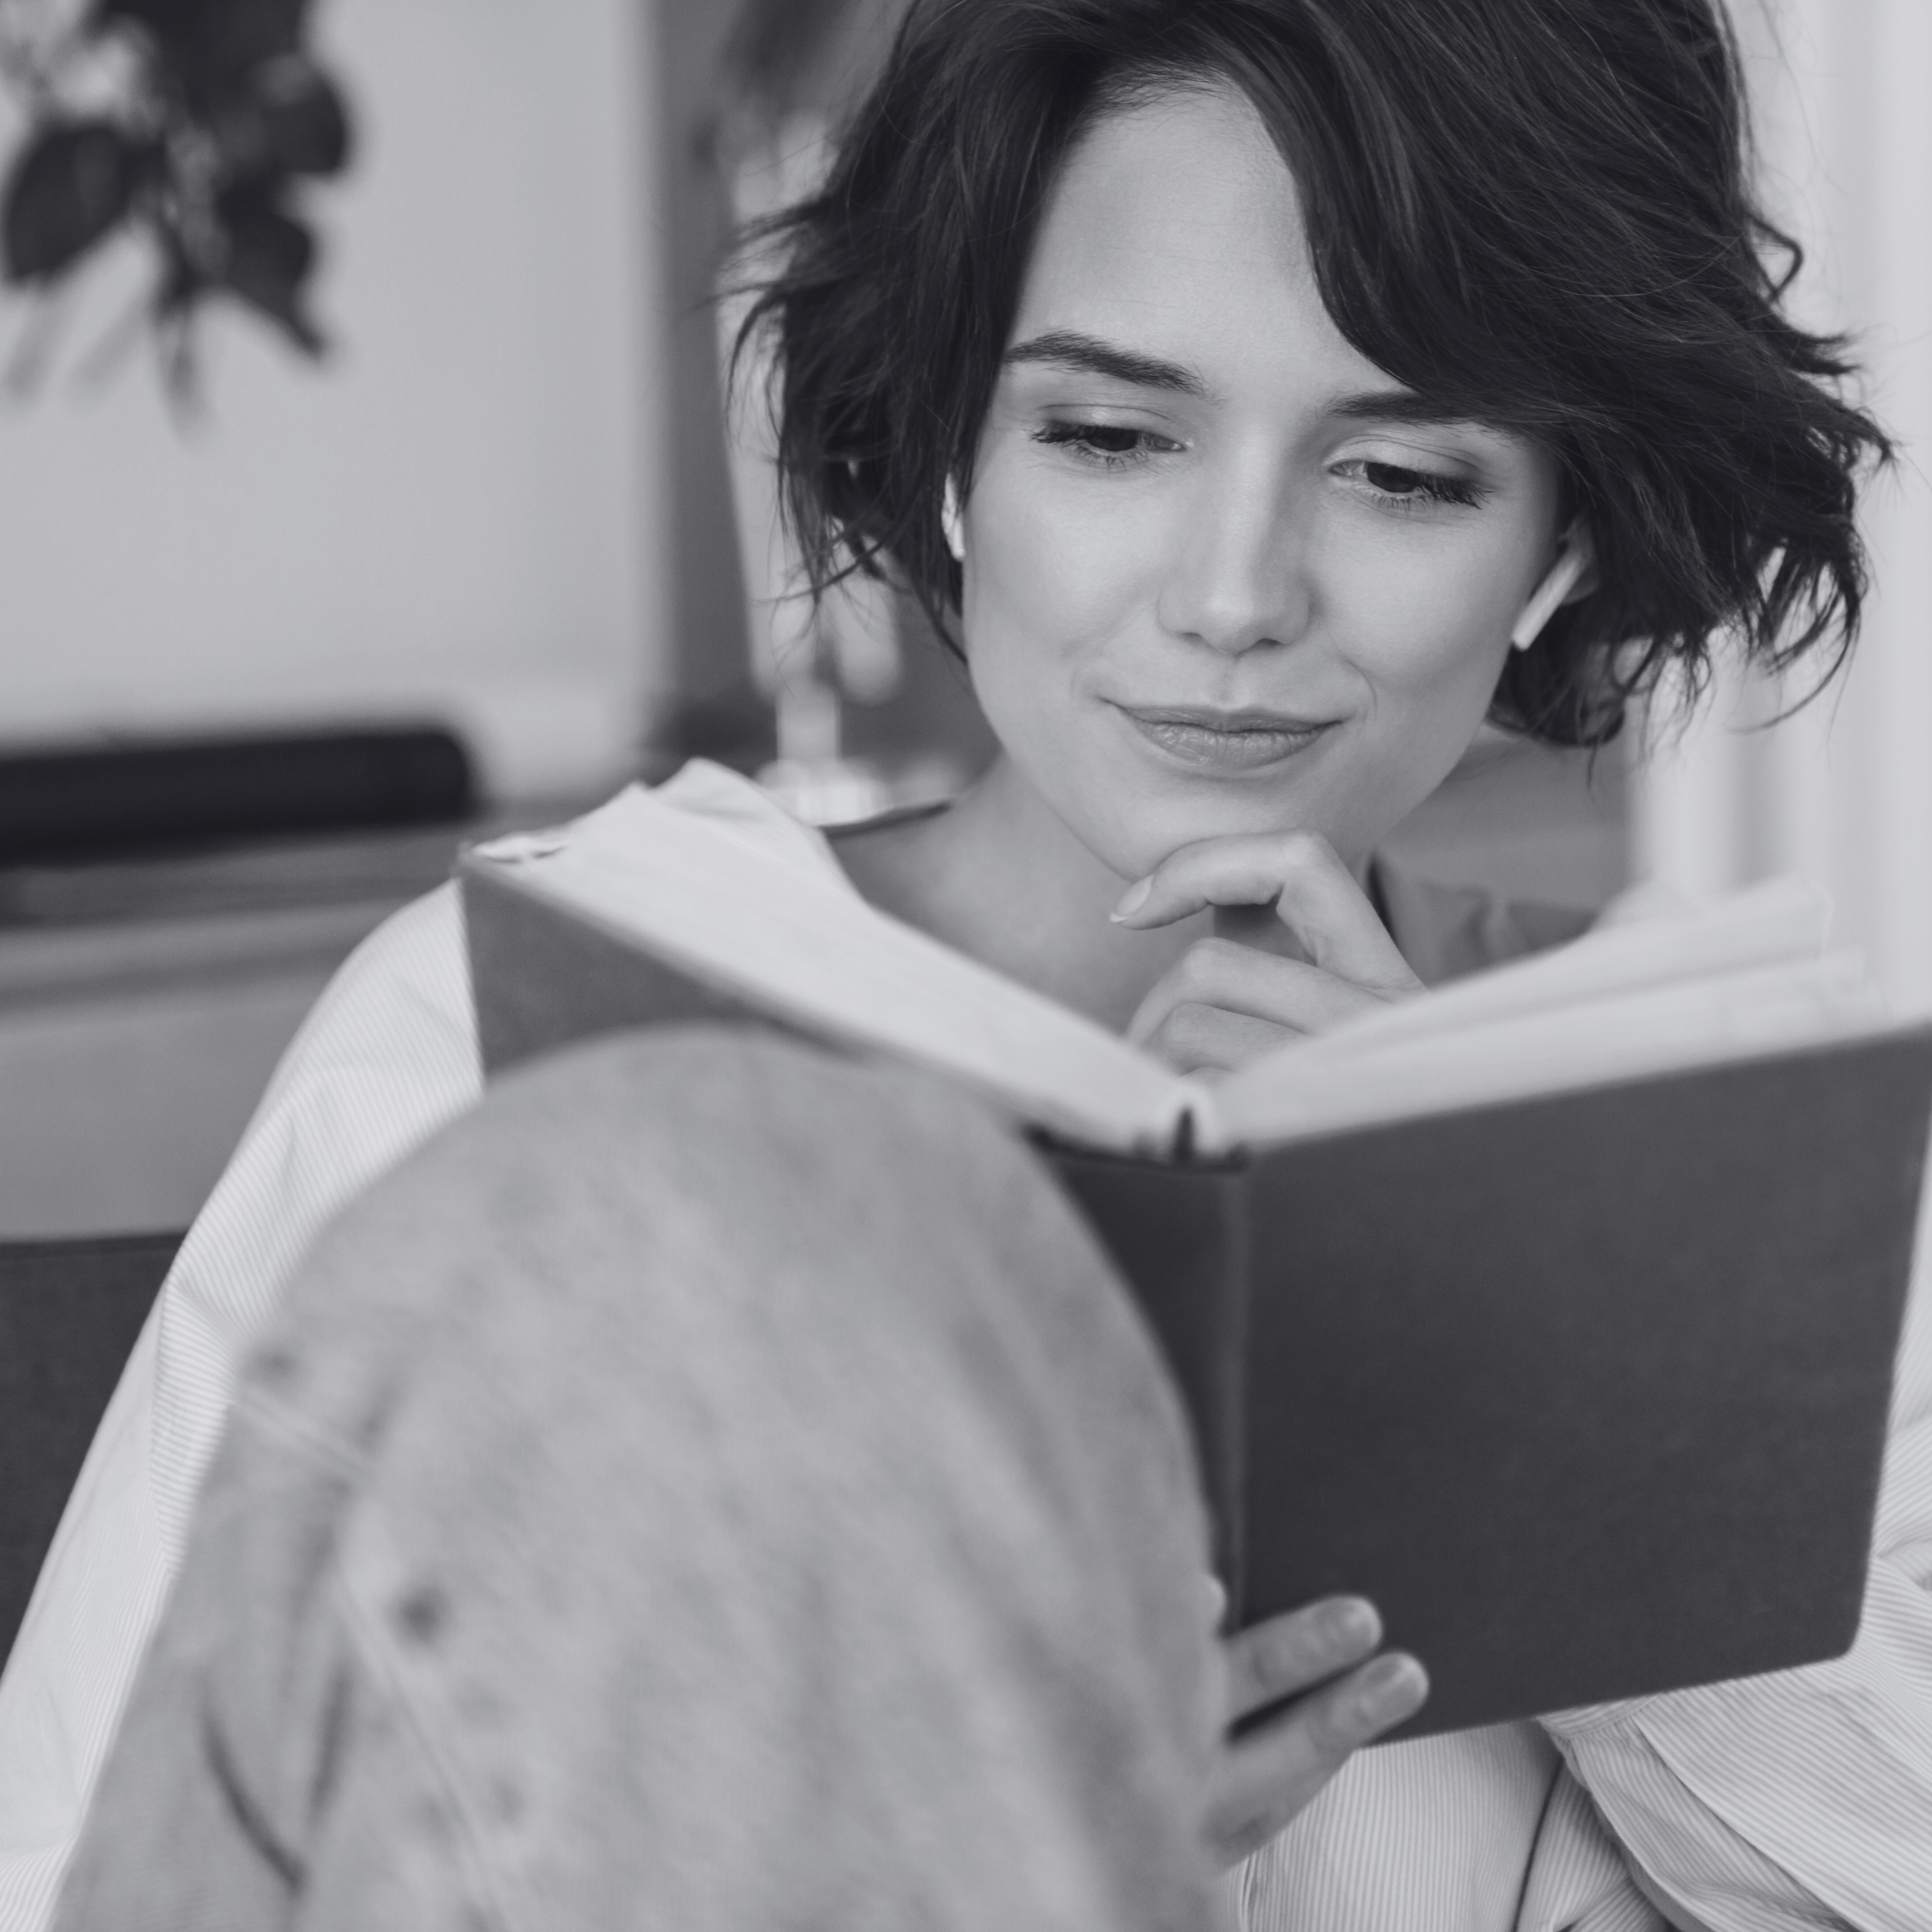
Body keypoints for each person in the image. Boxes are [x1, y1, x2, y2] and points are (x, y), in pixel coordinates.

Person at [17, 0, 1932, 1926]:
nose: (1228, 598)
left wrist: (1533, 1331)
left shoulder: (1725, 1162)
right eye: (1108, 433)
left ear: (1562, 537)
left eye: (1403, 475)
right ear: (951, 444)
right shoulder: (476, 1049)